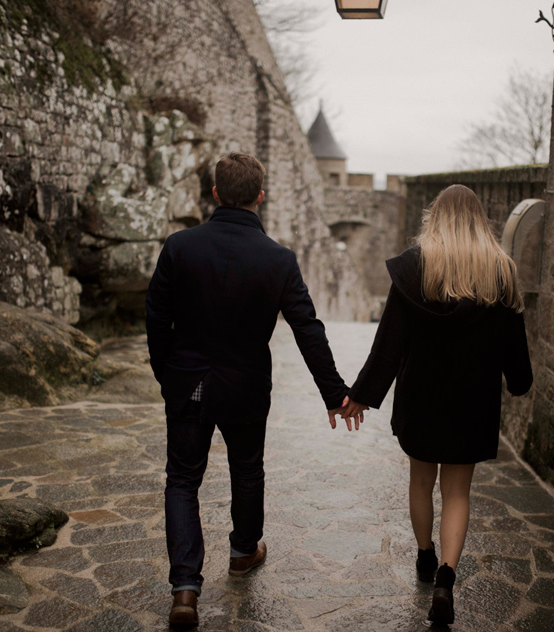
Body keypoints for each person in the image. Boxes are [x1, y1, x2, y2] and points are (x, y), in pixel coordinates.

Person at [146, 152, 355, 628]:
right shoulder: (278, 259)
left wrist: (169, 374)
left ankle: (185, 589)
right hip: (244, 388)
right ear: (260, 196)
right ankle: (243, 551)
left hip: (189, 385)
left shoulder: (179, 247)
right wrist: (334, 392)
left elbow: (156, 318)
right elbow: (308, 329)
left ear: (215, 193)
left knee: (182, 481)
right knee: (246, 469)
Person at [342, 184, 533, 625]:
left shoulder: (414, 269)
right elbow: (515, 351)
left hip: (422, 397)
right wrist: (520, 382)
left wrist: (361, 396)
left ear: (436, 217)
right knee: (458, 492)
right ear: (478, 219)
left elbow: (388, 344)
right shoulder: (501, 273)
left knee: (420, 483)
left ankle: (425, 557)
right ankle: (446, 579)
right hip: (473, 401)